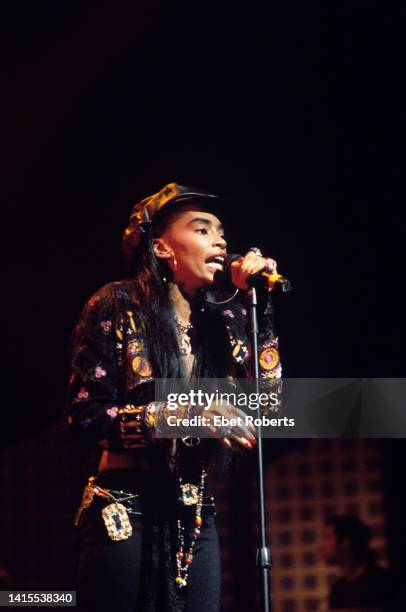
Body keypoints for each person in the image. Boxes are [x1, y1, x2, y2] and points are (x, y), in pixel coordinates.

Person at [65, 182, 282, 612]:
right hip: (125, 508)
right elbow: (86, 414)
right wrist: (185, 414)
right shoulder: (117, 303)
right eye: (202, 230)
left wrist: (259, 306)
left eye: (221, 231)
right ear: (163, 248)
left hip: (194, 512)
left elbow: (268, 403)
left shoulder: (223, 322)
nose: (220, 239)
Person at [321, 514, 395, 611]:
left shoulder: (383, 583)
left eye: (327, 537)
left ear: (345, 542)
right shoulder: (338, 590)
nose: (322, 545)